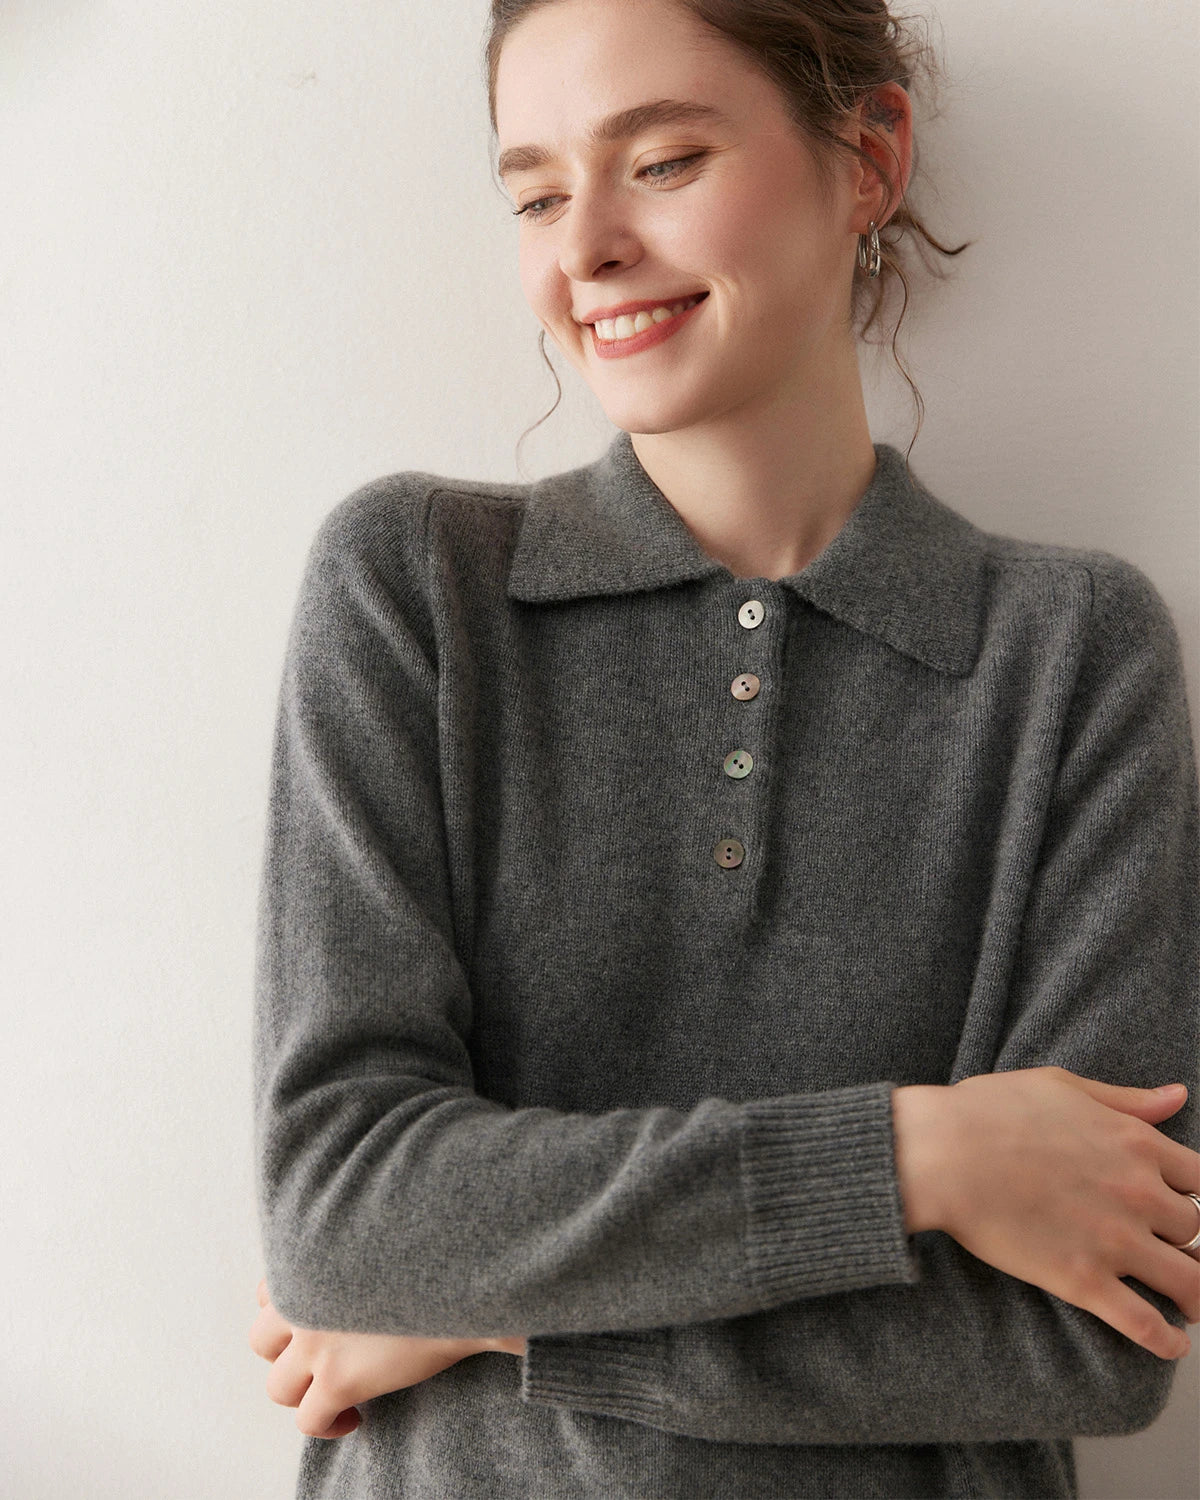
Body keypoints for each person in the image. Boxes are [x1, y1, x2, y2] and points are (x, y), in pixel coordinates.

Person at [249, 1, 1200, 1495]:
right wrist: (916, 1157)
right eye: (536, 195)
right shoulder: (414, 588)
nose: (587, 249)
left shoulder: (1070, 652)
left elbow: (1090, 1340)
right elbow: (345, 1213)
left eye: (665, 162)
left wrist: (497, 1320)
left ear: (868, 155)